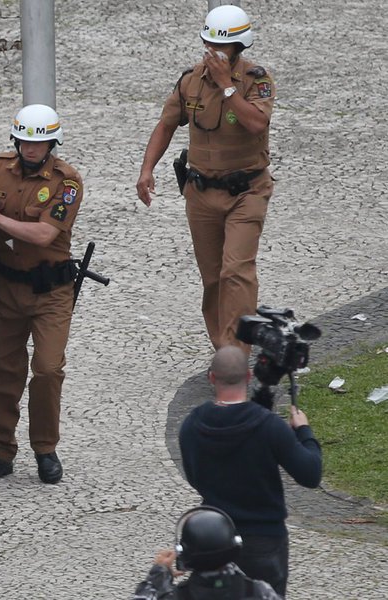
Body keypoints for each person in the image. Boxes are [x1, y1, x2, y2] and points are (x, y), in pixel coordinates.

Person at [136, 5, 276, 353]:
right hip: (201, 192)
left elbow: (257, 124)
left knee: (236, 272)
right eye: (210, 44)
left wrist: (228, 87)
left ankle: (237, 353)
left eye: (223, 47)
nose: (215, 52)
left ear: (239, 47)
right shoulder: (190, 81)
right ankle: (223, 349)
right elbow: (167, 124)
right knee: (213, 279)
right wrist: (146, 170)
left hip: (247, 192)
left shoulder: (256, 81)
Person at [0, 104, 84, 484]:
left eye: (39, 142)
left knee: (48, 369)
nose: (30, 149)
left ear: (52, 143)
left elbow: (45, 234)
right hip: (5, 285)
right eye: (25, 141)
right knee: (3, 369)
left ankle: (45, 448)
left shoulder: (67, 182)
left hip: (51, 291)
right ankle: (0, 449)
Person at [178, 346, 322, 596]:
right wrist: (304, 432)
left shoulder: (191, 425)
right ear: (249, 375)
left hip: (213, 538)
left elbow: (194, 477)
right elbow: (310, 474)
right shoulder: (270, 426)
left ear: (211, 377)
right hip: (265, 540)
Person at [131, 506, 282, 599]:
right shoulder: (258, 591)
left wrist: (158, 574)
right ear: (235, 545)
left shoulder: (177, 596)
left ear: (183, 554)